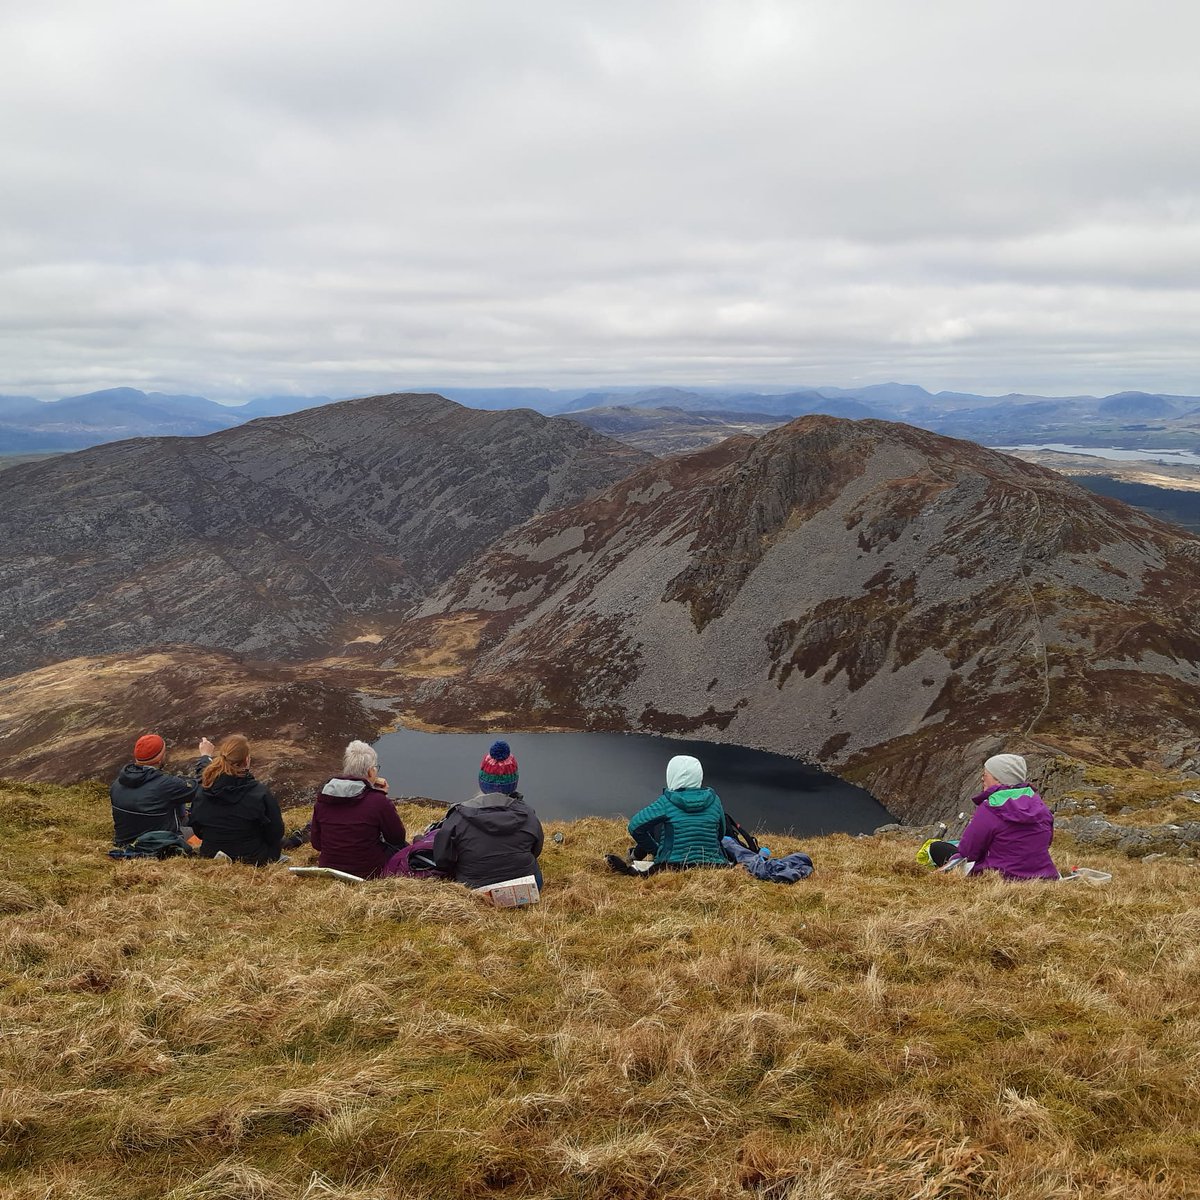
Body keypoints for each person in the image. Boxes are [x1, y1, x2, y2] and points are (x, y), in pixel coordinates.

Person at [433, 741, 544, 891]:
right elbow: (535, 851)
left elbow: (442, 860)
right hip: (525, 885)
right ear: (514, 783)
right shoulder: (529, 815)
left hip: (474, 887)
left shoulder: (458, 817)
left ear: (482, 782)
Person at [933, 753, 1058, 880]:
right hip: (1042, 875)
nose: (982, 779)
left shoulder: (991, 808)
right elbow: (1046, 843)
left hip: (999, 876)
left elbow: (968, 852)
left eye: (986, 775)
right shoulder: (1042, 808)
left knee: (937, 848)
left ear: (998, 779)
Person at [607, 754, 727, 874]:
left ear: (672, 774)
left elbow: (635, 826)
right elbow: (721, 833)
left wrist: (657, 851)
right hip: (714, 865)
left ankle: (635, 855)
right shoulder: (714, 800)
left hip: (673, 866)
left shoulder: (667, 801)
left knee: (656, 824)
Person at [312, 740, 408, 879]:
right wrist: (382, 798)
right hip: (369, 870)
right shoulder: (378, 801)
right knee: (403, 847)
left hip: (330, 867)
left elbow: (317, 844)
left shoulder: (324, 799)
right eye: (375, 767)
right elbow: (396, 838)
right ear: (370, 771)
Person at [189, 734, 285, 865]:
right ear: (247, 760)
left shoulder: (203, 790)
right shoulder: (259, 793)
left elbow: (198, 829)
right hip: (254, 858)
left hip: (211, 854)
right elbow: (275, 833)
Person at [110, 732, 215, 846]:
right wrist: (206, 757)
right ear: (160, 758)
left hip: (125, 843)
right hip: (159, 845)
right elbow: (204, 785)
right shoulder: (166, 785)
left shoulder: (118, 783)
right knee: (211, 827)